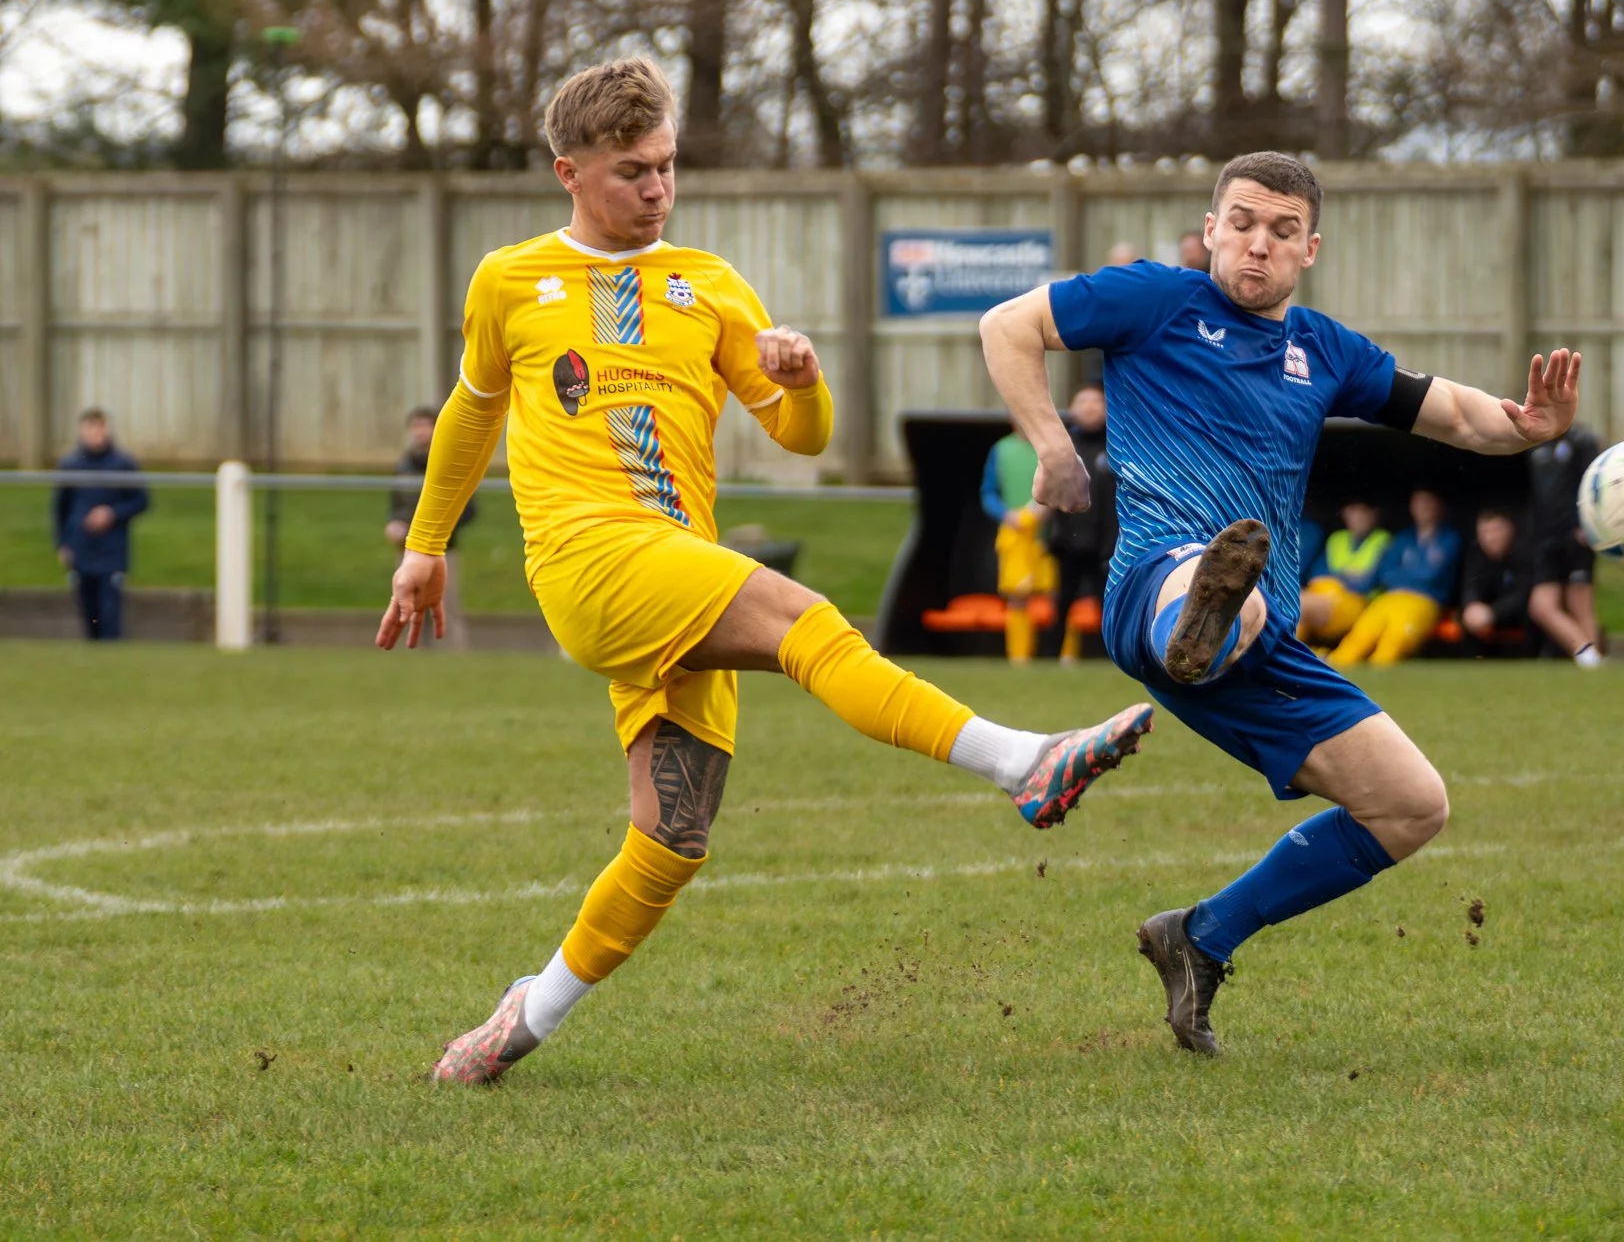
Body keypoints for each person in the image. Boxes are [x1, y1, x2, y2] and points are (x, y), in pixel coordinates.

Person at [377, 58, 1152, 1085]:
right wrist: (424, 546)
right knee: (802, 618)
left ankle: (520, 1020)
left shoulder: (709, 287)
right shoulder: (510, 280)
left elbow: (799, 435)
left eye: (665, 167)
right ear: (568, 173)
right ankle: (1022, 763)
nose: (655, 190)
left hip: (674, 568)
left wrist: (803, 379)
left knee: (671, 841)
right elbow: (473, 409)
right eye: (629, 174)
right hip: (587, 560)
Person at [979, 149, 1581, 1054]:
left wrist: (1527, 427)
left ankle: (1200, 937)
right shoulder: (1156, 298)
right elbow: (1005, 324)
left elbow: (1450, 411)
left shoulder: (1325, 352)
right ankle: (1205, 622)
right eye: (1244, 223)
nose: (1258, 245)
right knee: (1237, 590)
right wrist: (1053, 445)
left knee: (1413, 805)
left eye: (1283, 231)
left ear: (1310, 249)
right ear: (1212, 228)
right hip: (1153, 581)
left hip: (1263, 641)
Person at [1326, 489, 1462, 668]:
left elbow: (1433, 575)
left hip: (1424, 600)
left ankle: (1379, 685)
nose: (1423, 507)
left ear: (1439, 506)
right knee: (1358, 638)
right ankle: (1333, 680)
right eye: (1419, 502)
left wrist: (1404, 573)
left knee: (1392, 645)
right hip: (1390, 597)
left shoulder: (1450, 538)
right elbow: (1385, 572)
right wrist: (1411, 573)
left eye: (1428, 502)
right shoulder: (1403, 538)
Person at [51, 408, 149, 641]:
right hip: (82, 547)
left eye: (100, 427)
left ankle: (112, 658)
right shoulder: (71, 464)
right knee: (88, 609)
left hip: (112, 549)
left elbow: (141, 501)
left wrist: (112, 513)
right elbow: (60, 508)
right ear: (82, 430)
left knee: (110, 611)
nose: (96, 433)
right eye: (90, 428)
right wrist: (63, 543)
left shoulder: (123, 463)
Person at [388, 406, 477, 650]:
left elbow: (468, 509)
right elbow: (396, 503)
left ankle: (453, 660)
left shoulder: (451, 461)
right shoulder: (404, 464)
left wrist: (436, 530)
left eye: (425, 426)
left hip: (442, 550)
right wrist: (394, 523)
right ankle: (405, 662)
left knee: (447, 608)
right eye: (415, 426)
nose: (419, 432)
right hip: (408, 549)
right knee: (404, 604)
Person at [1044, 383, 1117, 665]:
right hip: (1068, 542)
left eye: (1096, 401)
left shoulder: (1117, 445)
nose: (1089, 407)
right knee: (1062, 602)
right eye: (1083, 401)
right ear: (1072, 409)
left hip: (1107, 546)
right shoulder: (1062, 447)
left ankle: (1109, 658)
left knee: (1107, 605)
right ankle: (1048, 658)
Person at [979, 420, 1058, 663]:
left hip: (1049, 535)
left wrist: (1052, 507)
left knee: (1055, 592)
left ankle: (1061, 653)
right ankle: (1019, 657)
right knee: (1017, 594)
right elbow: (988, 493)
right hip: (1015, 534)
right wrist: (1006, 514)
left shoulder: (1052, 448)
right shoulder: (1001, 450)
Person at [1528, 421, 1604, 667]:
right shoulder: (1532, 443)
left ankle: (1592, 668)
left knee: (1579, 604)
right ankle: (1588, 656)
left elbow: (1596, 483)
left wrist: (1587, 525)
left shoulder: (1581, 440)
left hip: (1576, 536)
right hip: (1546, 538)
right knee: (1541, 605)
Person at [1296, 499, 1389, 650]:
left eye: (1363, 512)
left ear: (1374, 514)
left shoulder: (1382, 540)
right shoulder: (1337, 538)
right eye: (1352, 511)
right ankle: (1302, 654)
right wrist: (1347, 576)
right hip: (1324, 594)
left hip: (1355, 601)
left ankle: (1284, 655)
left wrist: (1338, 577)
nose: (1357, 517)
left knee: (1297, 603)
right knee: (1290, 600)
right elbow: (1317, 572)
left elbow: (1371, 581)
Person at [1457, 508, 1535, 653]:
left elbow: (1524, 594)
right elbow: (1470, 585)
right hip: (1483, 617)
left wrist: (1494, 612)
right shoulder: (1476, 555)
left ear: (1509, 529)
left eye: (1495, 531)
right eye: (1485, 532)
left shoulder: (1524, 554)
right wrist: (1472, 605)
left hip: (1515, 616)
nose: (1490, 538)